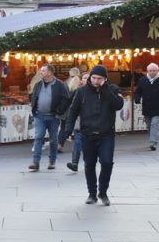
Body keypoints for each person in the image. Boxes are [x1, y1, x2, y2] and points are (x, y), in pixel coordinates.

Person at [64, 64, 124, 206]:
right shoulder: (82, 91)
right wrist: (68, 129)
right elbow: (73, 111)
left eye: (99, 78)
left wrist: (105, 89)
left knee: (107, 162)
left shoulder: (112, 89)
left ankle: (103, 192)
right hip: (87, 134)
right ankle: (92, 193)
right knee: (89, 164)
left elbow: (118, 105)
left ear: (105, 79)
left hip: (106, 134)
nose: (96, 81)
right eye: (94, 78)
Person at [28, 64, 71, 170]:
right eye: (41, 70)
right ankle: (36, 162)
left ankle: (52, 161)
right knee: (38, 137)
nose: (40, 72)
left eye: (43, 70)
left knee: (53, 139)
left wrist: (59, 111)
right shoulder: (38, 84)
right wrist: (34, 108)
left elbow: (66, 99)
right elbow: (33, 96)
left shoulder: (60, 84)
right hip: (40, 116)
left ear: (50, 72)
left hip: (53, 116)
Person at [133, 62, 159, 151]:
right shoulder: (142, 80)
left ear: (157, 71)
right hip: (147, 107)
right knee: (149, 126)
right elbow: (138, 91)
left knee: (154, 124)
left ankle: (153, 143)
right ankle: (154, 137)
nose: (152, 72)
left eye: (154, 70)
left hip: (157, 108)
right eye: (150, 70)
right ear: (147, 71)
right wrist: (137, 98)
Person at [58, 67, 82, 152]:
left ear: (69, 73)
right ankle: (81, 146)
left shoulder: (65, 83)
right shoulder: (79, 83)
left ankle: (59, 145)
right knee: (79, 128)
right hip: (73, 110)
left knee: (63, 127)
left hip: (65, 110)